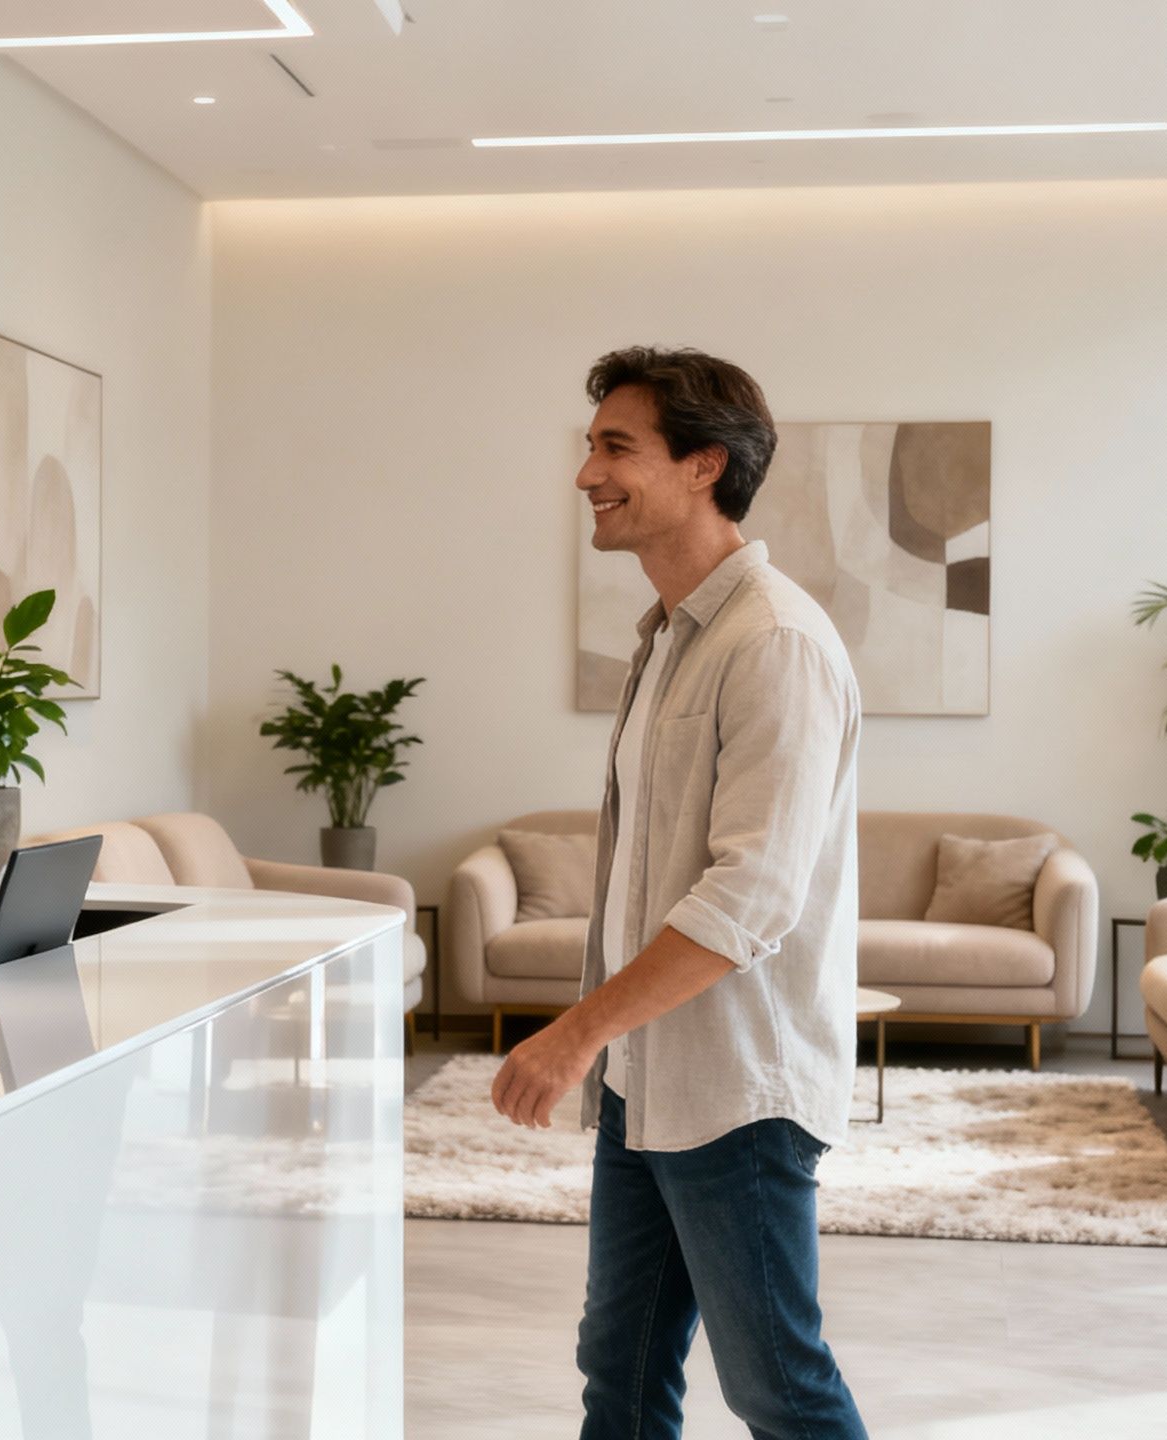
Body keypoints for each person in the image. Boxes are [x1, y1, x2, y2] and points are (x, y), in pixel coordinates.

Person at [491, 346, 868, 1438]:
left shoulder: (775, 643)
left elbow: (748, 896)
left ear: (704, 465)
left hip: (735, 1094)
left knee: (778, 1389)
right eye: (590, 444)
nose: (585, 474)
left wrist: (570, 1037)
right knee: (619, 1371)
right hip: (645, 1085)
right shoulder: (666, 640)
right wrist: (604, 1053)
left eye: (616, 446)